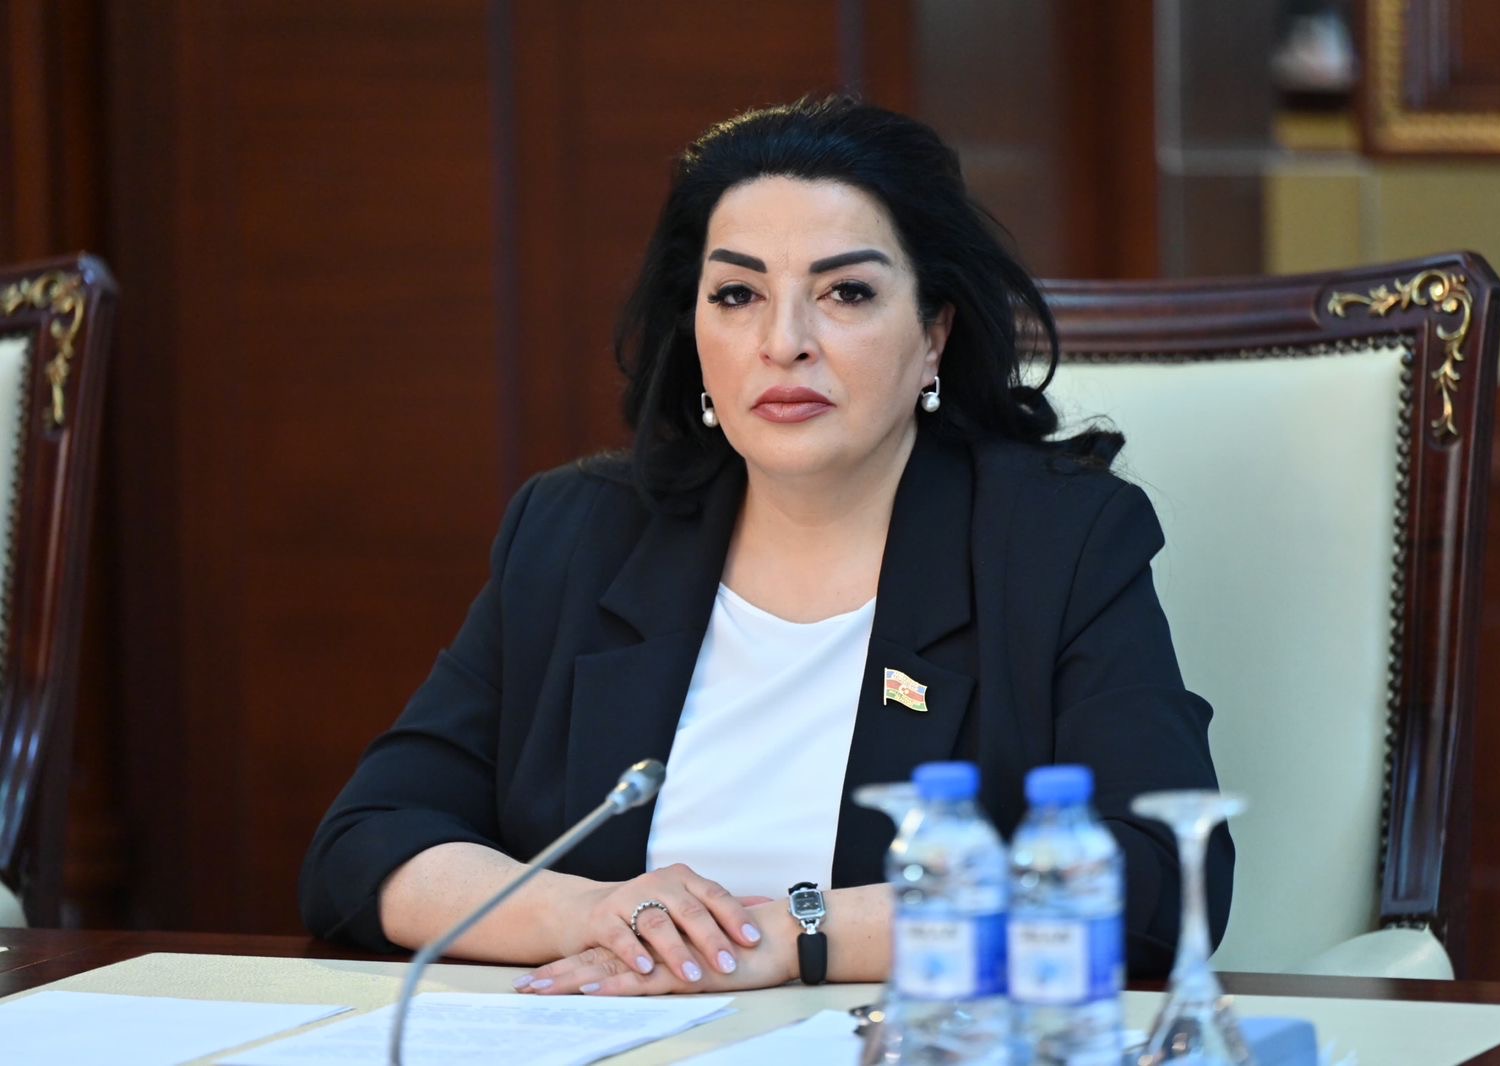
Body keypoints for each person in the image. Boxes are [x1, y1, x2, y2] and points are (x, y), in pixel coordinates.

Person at [300, 95, 1233, 995]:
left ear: (934, 334)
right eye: (738, 294)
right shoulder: (577, 532)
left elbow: (1157, 876)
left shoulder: (1055, 541)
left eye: (847, 292)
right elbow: (368, 843)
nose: (783, 342)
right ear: (695, 330)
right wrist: (594, 914)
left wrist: (797, 937)